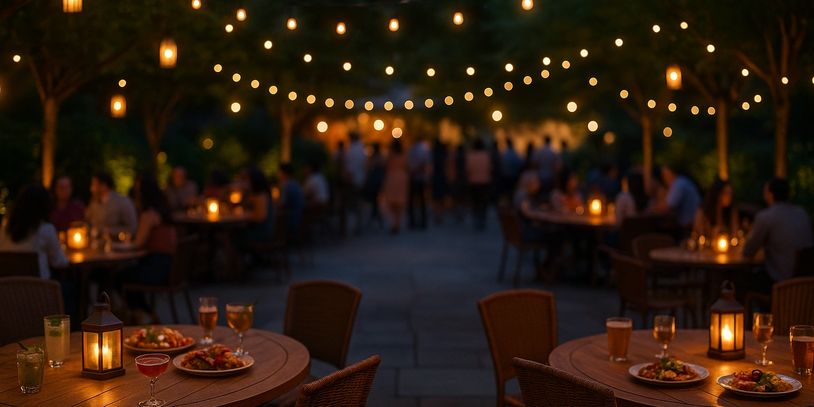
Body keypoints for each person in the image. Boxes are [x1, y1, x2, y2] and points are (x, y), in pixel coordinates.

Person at [120, 173, 178, 320]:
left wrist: (116, 246)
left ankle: (142, 313)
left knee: (118, 277)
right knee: (126, 274)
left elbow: (138, 243)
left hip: (156, 269)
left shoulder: (149, 215)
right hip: (169, 267)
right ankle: (144, 313)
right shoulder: (163, 211)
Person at [743, 178, 813, 282]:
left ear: (770, 195)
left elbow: (748, 252)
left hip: (781, 283)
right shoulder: (802, 213)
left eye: (765, 192)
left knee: (745, 279)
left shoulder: (766, 217)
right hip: (807, 284)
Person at [0, 185, 68, 279]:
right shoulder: (45, 229)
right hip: (39, 291)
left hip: (8, 291)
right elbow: (60, 262)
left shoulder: (5, 230)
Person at [660, 164, 701, 230]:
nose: (664, 177)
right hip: (692, 223)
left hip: (690, 226)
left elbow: (668, 206)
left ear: (671, 172)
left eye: (665, 174)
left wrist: (652, 208)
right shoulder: (682, 181)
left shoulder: (679, 184)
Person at [382, 139, 408, 234]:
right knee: (399, 203)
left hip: (392, 178)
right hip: (401, 178)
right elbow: (407, 166)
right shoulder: (404, 154)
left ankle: (394, 223)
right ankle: (397, 222)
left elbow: (386, 166)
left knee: (392, 202)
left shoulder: (390, 155)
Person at [342, 132, 366, 235]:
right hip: (360, 179)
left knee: (352, 204)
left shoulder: (351, 150)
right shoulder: (361, 149)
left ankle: (352, 227)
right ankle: (358, 226)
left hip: (352, 180)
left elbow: (348, 166)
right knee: (358, 204)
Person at [466, 139, 492, 230]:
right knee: (483, 202)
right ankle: (482, 220)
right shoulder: (486, 155)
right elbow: (490, 168)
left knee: (475, 202)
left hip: (473, 182)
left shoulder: (471, 155)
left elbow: (468, 169)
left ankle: (476, 220)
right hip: (485, 182)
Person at [245, 168, 275, 243]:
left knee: (232, 235)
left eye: (247, 180)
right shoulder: (260, 194)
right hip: (263, 230)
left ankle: (234, 254)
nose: (246, 182)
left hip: (262, 233)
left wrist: (246, 216)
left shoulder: (261, 196)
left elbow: (260, 217)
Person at [407, 139, 430, 229]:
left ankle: (414, 221)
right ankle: (421, 221)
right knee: (421, 201)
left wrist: (413, 170)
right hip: (419, 178)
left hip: (416, 177)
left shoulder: (413, 149)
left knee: (414, 201)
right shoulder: (424, 149)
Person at [278, 163, 305, 237]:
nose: (278, 174)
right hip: (300, 216)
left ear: (283, 173)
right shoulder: (295, 183)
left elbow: (282, 204)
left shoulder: (286, 185)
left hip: (292, 218)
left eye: (279, 172)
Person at [364, 143, 386, 227]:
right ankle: (376, 214)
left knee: (375, 199)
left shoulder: (376, 158)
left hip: (375, 181)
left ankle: (375, 214)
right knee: (375, 200)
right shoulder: (378, 157)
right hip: (376, 181)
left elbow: (369, 167)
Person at [430, 138, 450, 224]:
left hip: (435, 177)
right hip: (443, 177)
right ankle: (440, 215)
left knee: (435, 197)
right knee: (441, 197)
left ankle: (436, 215)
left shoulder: (433, 154)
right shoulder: (444, 154)